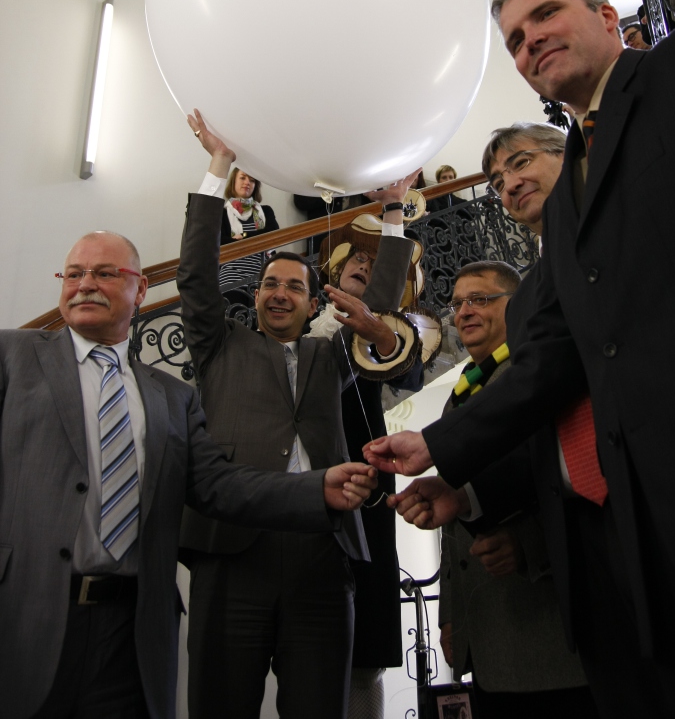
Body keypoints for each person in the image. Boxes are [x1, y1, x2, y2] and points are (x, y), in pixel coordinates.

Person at [364, 0, 675, 716]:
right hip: (640, 546)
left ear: (608, 17)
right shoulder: (566, 212)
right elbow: (549, 358)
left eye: (546, 16)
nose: (531, 43)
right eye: (516, 41)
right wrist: (439, 448)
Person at [0, 230, 377, 719]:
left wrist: (314, 488)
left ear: (140, 291)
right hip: (27, 618)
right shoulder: (13, 357)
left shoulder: (169, 396)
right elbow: (198, 280)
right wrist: (215, 173)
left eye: (105, 273)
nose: (86, 284)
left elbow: (216, 483)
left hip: (133, 628)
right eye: (74, 274)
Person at [179, 109, 420, 719]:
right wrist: (217, 168)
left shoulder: (327, 355)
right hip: (234, 551)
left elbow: (381, 313)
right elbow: (195, 277)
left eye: (294, 286)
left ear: (315, 303)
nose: (280, 293)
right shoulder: (218, 345)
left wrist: (393, 211)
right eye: (269, 284)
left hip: (321, 553)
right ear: (255, 297)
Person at [438, 260, 594, 718]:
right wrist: (453, 617)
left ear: (518, 305)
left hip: (547, 636)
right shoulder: (461, 394)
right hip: (485, 643)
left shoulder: (541, 379)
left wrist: (527, 543)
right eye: (458, 303)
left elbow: (575, 479)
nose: (464, 311)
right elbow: (454, 528)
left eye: (480, 299)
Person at [312, 215, 426, 719]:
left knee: (369, 646)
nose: (364, 263)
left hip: (368, 495)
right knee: (306, 646)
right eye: (355, 258)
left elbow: (411, 368)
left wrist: (396, 212)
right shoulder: (296, 330)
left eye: (372, 263)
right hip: (306, 496)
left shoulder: (373, 331)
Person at [218, 165, 279, 297]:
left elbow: (273, 235)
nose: (247, 182)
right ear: (233, 181)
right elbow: (220, 243)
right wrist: (257, 238)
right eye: (243, 178)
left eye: (252, 180)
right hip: (231, 278)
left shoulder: (266, 211)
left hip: (263, 276)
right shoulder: (222, 213)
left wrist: (243, 236)